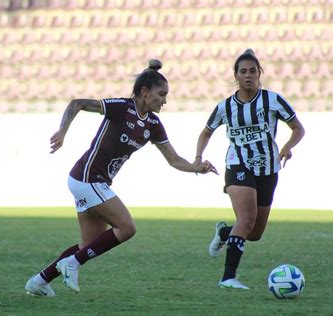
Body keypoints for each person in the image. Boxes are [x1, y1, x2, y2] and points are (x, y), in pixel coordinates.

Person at [25, 59, 217, 297]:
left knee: (88, 246)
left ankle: (39, 281)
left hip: (94, 183)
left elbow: (174, 160)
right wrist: (62, 132)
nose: (165, 101)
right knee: (126, 227)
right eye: (162, 94)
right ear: (145, 92)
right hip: (87, 178)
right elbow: (78, 103)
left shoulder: (154, 125)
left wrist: (197, 168)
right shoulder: (121, 107)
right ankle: (72, 264)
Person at [194, 49, 305, 290]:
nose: (248, 75)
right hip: (238, 164)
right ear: (236, 76)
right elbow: (206, 132)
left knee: (254, 233)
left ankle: (225, 233)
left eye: (252, 71)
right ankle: (228, 277)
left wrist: (286, 147)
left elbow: (298, 128)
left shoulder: (272, 100)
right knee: (246, 218)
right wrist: (198, 157)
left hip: (268, 168)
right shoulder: (225, 107)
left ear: (259, 74)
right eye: (243, 71)